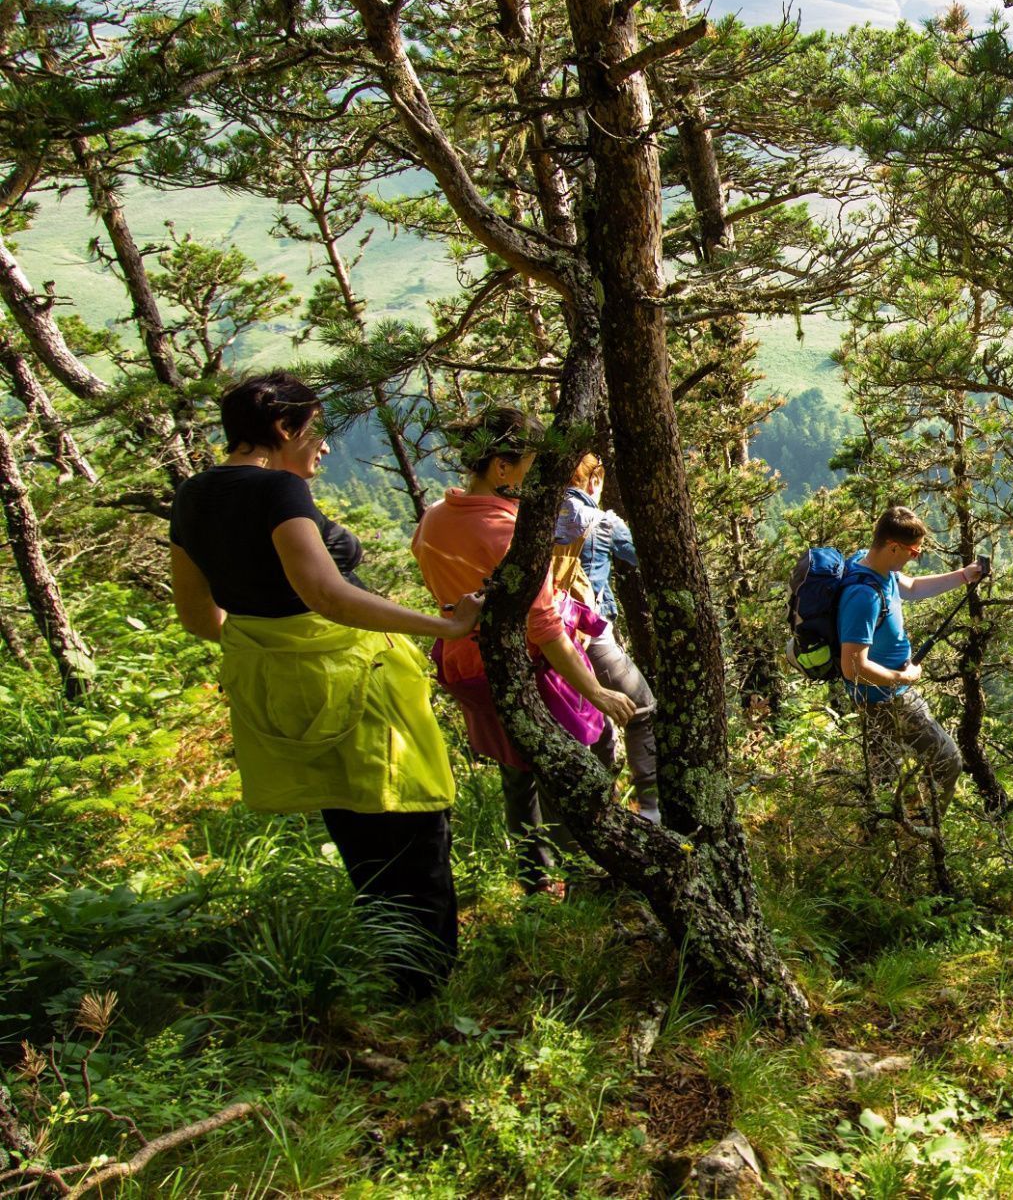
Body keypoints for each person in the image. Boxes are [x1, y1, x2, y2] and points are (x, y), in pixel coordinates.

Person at [169, 372, 482, 1000]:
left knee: (358, 835)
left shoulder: (194, 494)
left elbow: (199, 617)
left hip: (281, 691)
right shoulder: (278, 490)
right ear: (284, 430)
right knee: (414, 824)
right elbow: (326, 594)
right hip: (360, 691)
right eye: (318, 429)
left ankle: (396, 972)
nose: (326, 446)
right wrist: (446, 624)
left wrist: (273, 639)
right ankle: (428, 992)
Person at [411, 407, 635, 894]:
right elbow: (544, 626)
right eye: (533, 464)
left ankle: (534, 880)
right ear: (502, 468)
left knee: (518, 768)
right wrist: (595, 691)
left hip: (466, 663)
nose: (542, 478)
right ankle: (587, 878)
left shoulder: (433, 520)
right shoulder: (503, 531)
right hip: (527, 667)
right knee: (571, 766)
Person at [838, 506, 983, 811]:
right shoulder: (863, 597)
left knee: (883, 774)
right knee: (948, 761)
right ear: (892, 547)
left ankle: (885, 830)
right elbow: (853, 668)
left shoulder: (878, 568)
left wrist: (964, 576)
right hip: (885, 698)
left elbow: (914, 587)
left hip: (886, 693)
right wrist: (902, 678)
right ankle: (920, 831)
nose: (915, 557)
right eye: (914, 552)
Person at [552, 454, 660, 823]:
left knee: (585, 725)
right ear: (594, 480)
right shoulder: (602, 522)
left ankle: (596, 816)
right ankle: (650, 807)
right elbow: (646, 556)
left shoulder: (528, 516)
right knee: (640, 708)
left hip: (542, 639)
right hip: (589, 633)